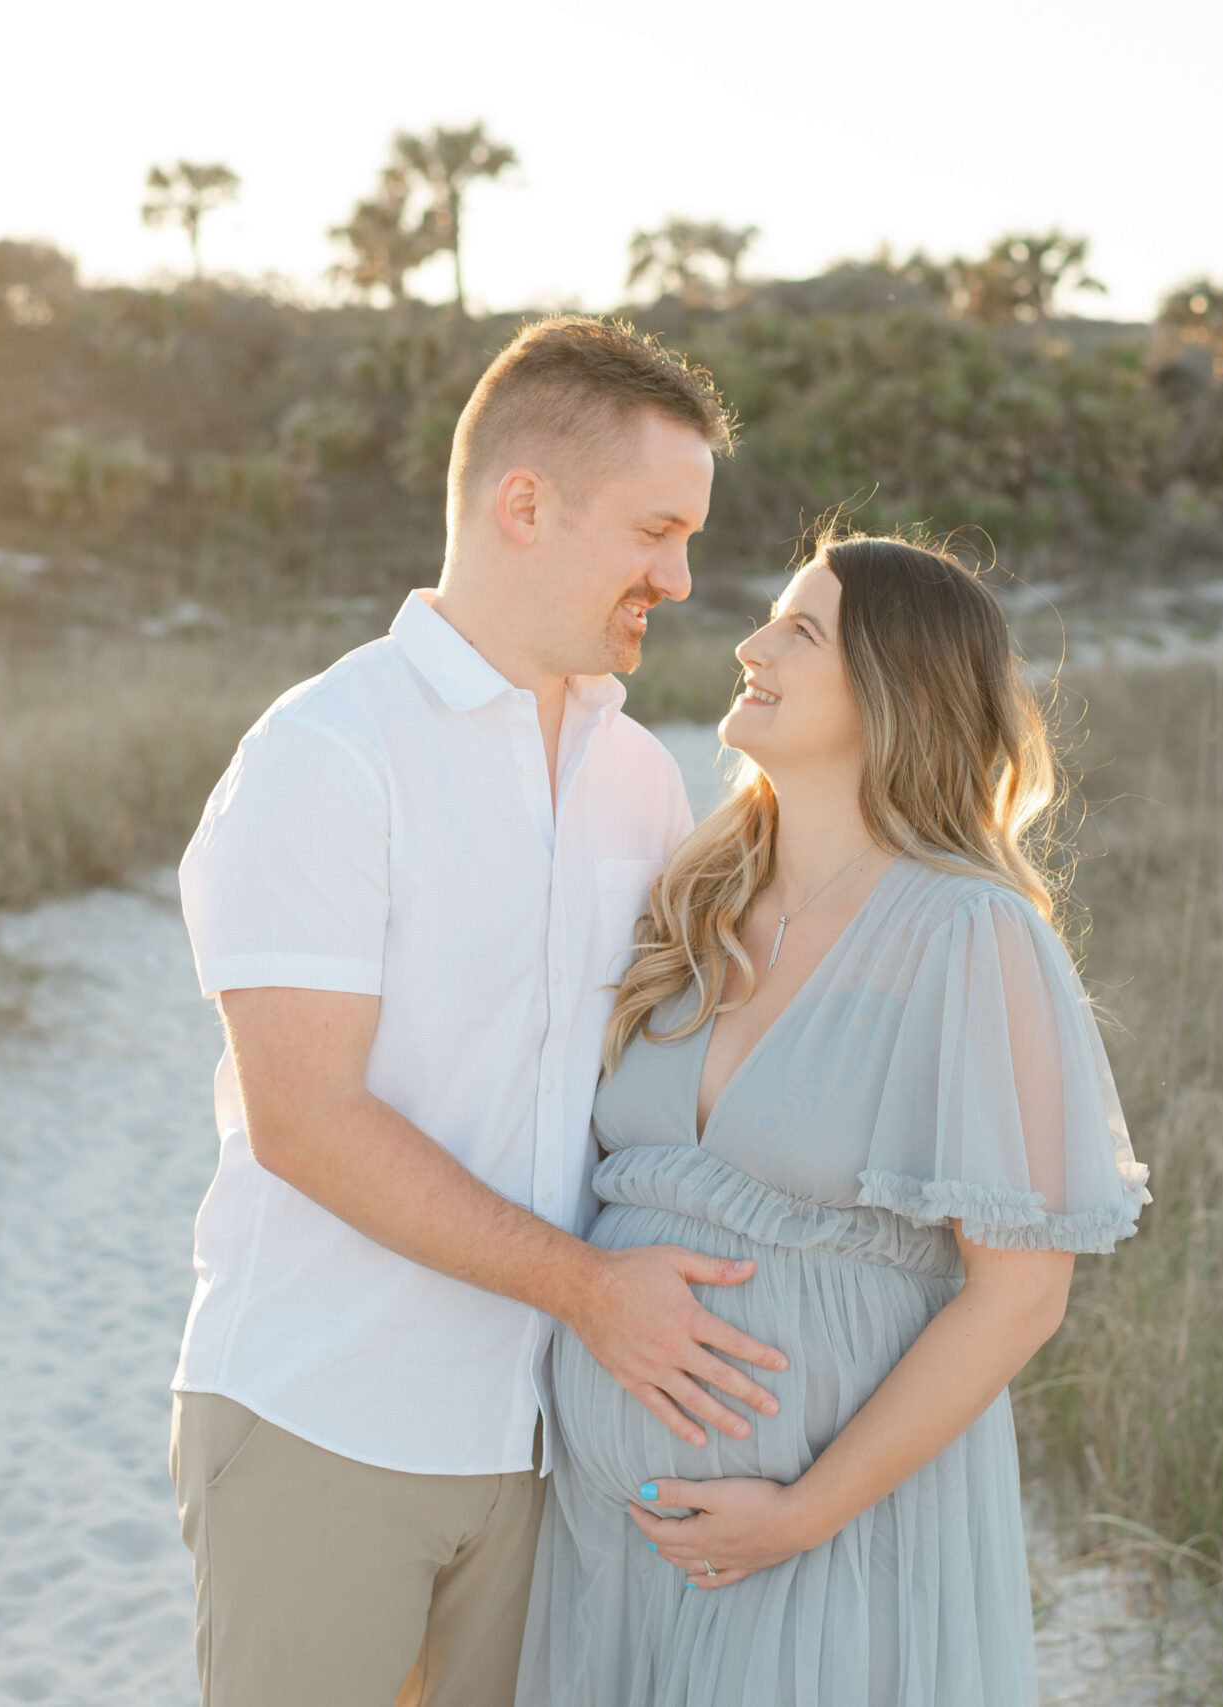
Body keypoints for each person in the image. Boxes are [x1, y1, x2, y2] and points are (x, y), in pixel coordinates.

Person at [169, 316, 791, 1707]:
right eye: (654, 529)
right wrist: (591, 1291)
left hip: (540, 1444)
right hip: (323, 1417)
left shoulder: (640, 776)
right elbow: (308, 1119)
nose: (680, 578)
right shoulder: (329, 752)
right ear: (524, 505)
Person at [520, 534, 1150, 1707]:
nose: (750, 647)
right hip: (607, 1545)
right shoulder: (692, 897)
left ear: (894, 687)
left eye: (799, 631)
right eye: (771, 619)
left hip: (827, 1541)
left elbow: (1021, 1296)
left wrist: (798, 1515)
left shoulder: (969, 934)